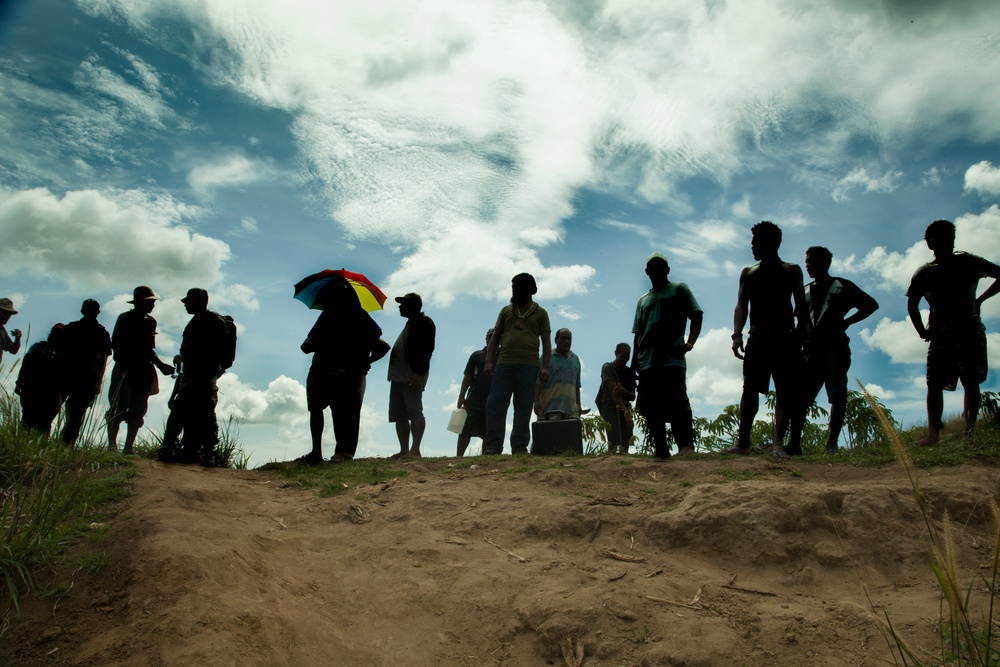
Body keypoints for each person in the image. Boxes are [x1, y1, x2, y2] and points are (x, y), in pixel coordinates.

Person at [907, 219, 1000, 446]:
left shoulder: (967, 261)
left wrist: (980, 300)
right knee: (935, 383)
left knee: (970, 380)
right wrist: (921, 331)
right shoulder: (925, 272)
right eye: (938, 239)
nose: (944, 243)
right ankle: (934, 435)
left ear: (952, 240)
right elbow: (912, 303)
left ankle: (969, 432)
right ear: (930, 243)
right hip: (941, 334)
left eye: (948, 238)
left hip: (968, 330)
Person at [730, 221, 812, 457]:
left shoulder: (791, 270)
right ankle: (742, 443)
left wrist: (808, 337)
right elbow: (741, 306)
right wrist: (736, 335)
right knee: (750, 389)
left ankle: (778, 443)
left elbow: (801, 307)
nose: (753, 246)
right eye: (752, 241)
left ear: (772, 243)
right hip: (757, 337)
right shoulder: (749, 273)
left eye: (757, 242)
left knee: (785, 391)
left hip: (785, 337)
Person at [298, 279, 390, 464]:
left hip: (336, 371)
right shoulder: (350, 315)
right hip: (330, 370)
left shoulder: (348, 315)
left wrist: (365, 361)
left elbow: (382, 346)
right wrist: (366, 361)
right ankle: (331, 452)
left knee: (334, 412)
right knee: (330, 411)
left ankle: (335, 452)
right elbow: (309, 342)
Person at [802, 247, 879, 452]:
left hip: (836, 346)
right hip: (812, 349)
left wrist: (846, 322)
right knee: (803, 396)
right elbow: (801, 320)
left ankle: (832, 443)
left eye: (811, 261)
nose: (807, 265)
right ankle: (794, 443)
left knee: (837, 394)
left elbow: (871, 305)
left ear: (825, 263)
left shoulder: (841, 285)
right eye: (806, 261)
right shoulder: (805, 291)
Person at [631, 253, 703, 458]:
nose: (656, 270)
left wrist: (689, 343)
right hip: (647, 362)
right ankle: (660, 449)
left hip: (672, 360)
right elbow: (638, 333)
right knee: (652, 409)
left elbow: (696, 315)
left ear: (667, 270)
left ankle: (686, 446)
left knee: (678, 403)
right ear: (647, 272)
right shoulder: (643, 300)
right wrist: (635, 362)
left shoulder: (679, 289)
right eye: (652, 267)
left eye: (660, 266)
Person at [483, 273, 552, 455]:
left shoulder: (541, 313)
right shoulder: (506, 311)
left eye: (517, 286)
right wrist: (489, 361)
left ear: (529, 289)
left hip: (529, 366)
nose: (513, 289)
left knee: (523, 406)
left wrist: (545, 367)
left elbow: (546, 342)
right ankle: (493, 446)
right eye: (512, 286)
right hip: (504, 363)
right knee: (495, 403)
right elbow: (496, 336)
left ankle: (519, 447)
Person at [159, 289, 230, 466]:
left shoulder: (211, 321)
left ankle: (202, 453)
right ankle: (191, 452)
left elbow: (217, 350)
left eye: (189, 301)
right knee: (190, 412)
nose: (185, 304)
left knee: (198, 413)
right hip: (195, 375)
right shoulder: (201, 322)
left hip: (203, 375)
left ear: (201, 301)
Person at [106, 286, 174, 454]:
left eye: (153, 302)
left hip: (143, 371)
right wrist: (126, 363)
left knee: (138, 410)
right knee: (117, 408)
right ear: (139, 303)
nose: (153, 305)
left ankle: (128, 448)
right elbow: (116, 344)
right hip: (125, 369)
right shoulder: (124, 319)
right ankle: (111, 446)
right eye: (150, 302)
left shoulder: (151, 321)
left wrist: (160, 365)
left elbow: (149, 349)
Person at [388, 293, 436, 459]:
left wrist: (418, 372)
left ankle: (415, 450)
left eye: (404, 304)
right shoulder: (411, 324)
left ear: (414, 306)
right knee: (399, 415)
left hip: (411, 375)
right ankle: (404, 450)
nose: (400, 307)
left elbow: (426, 349)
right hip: (398, 376)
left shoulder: (424, 322)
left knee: (415, 411)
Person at [60, 299, 112, 446]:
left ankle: (63, 445)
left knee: (69, 415)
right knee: (75, 417)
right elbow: (102, 361)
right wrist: (97, 382)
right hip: (84, 379)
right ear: (98, 312)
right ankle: (65, 445)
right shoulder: (101, 333)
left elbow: (61, 353)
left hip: (69, 377)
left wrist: (97, 382)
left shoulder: (71, 328)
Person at [15, 324, 65, 433]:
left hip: (35, 390)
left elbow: (25, 366)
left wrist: (19, 384)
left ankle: (22, 445)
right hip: (41, 391)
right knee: (40, 423)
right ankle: (37, 446)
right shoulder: (61, 354)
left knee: (30, 421)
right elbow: (26, 365)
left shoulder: (38, 346)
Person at [456, 328, 494, 457]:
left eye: (495, 336)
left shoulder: (503, 356)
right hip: (474, 398)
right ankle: (458, 457)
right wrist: (461, 396)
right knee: (465, 430)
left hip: (493, 400)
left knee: (488, 432)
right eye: (490, 336)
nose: (492, 338)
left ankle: (485, 458)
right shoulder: (477, 355)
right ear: (486, 339)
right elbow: (468, 376)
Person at [596, 343, 636, 454]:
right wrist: (626, 413)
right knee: (613, 441)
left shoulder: (628, 372)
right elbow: (615, 394)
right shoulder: (607, 368)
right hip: (610, 407)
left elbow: (632, 396)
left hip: (626, 406)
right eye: (622, 356)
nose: (624, 360)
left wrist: (625, 392)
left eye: (627, 357)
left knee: (626, 440)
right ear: (616, 354)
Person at [534, 328, 582, 418]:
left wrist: (578, 404)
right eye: (563, 338)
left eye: (569, 339)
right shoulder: (546, 358)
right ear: (556, 340)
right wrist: (536, 401)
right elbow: (538, 382)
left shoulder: (575, 359)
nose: (566, 341)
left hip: (571, 412)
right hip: (549, 411)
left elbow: (577, 385)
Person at [0, 297, 22, 368]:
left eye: (9, 314)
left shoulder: (2, 332)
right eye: (5, 313)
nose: (7, 317)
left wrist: (18, 338)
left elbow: (13, 350)